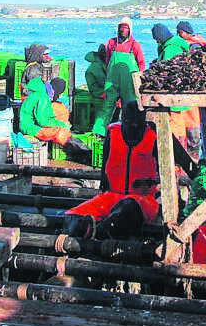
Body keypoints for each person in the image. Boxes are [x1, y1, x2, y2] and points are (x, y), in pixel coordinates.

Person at [65, 102, 161, 239]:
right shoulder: (113, 133)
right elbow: (105, 164)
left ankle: (97, 232)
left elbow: (170, 172)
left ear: (143, 121)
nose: (132, 126)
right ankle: (89, 231)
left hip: (142, 201)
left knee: (127, 208)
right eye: (128, 122)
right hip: (112, 196)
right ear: (123, 120)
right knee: (72, 216)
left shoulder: (154, 136)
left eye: (136, 123)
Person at [152, 23, 201, 160]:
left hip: (174, 96)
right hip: (189, 92)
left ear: (161, 37)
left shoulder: (169, 49)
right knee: (192, 124)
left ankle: (179, 158)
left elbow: (165, 72)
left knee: (176, 125)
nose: (157, 41)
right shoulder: (182, 44)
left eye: (157, 38)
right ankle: (195, 154)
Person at [92, 52, 141, 137]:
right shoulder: (112, 42)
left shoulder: (134, 44)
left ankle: (129, 132)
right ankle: (99, 132)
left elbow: (141, 63)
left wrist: (138, 81)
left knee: (130, 106)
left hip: (129, 78)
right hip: (112, 78)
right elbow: (108, 61)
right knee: (107, 105)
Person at [19, 76, 71, 145]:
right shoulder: (43, 97)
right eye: (59, 93)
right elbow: (42, 121)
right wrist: (62, 124)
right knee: (59, 131)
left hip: (27, 124)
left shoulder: (41, 90)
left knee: (59, 127)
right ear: (56, 91)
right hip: (30, 128)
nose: (59, 96)